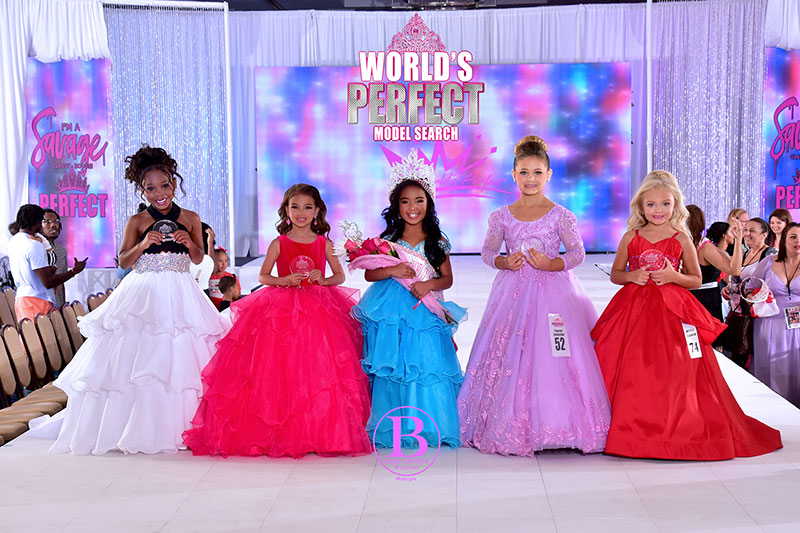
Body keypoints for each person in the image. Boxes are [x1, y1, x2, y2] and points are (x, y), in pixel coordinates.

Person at [50, 145, 230, 455]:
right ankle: (131, 429)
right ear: (142, 190)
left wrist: (190, 243)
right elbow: (123, 261)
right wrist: (144, 243)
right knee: (137, 357)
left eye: (165, 186)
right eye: (151, 188)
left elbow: (200, 258)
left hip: (181, 290)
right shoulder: (137, 220)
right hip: (143, 291)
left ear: (174, 185)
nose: (159, 193)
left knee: (181, 354)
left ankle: (182, 427)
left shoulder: (190, 217)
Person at [591, 170, 782, 460]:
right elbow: (616, 274)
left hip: (671, 309)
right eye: (651, 204)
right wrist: (631, 276)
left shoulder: (681, 239)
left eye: (665, 204)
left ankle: (672, 424)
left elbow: (695, 279)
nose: (658, 210)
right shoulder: (631, 236)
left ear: (675, 205)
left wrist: (672, 276)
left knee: (674, 367)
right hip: (633, 309)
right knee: (632, 365)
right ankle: (629, 427)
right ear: (641, 206)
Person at [183, 184, 371, 457]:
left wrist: (323, 279)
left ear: (317, 211)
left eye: (307, 207)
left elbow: (339, 276)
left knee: (315, 367)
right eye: (295, 207)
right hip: (281, 306)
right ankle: (279, 431)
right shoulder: (279, 243)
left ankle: (315, 430)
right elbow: (263, 276)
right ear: (286, 211)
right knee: (280, 366)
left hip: (318, 308)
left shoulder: (324, 244)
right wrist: (283, 280)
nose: (301, 212)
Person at [458, 135, 610, 455]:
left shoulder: (561, 215)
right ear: (513, 175)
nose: (531, 179)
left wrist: (552, 263)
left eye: (537, 172)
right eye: (524, 172)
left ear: (548, 174)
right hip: (512, 294)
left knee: (557, 353)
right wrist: (504, 261)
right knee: (511, 351)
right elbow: (487, 252)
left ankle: (564, 424)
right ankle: (512, 423)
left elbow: (578, 253)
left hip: (555, 294)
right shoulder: (502, 216)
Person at [351, 150, 465, 449]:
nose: (412, 208)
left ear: (429, 203)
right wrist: (392, 270)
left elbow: (447, 279)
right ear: (396, 205)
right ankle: (394, 425)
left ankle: (430, 424)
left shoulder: (437, 241)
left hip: (424, 311)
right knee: (395, 364)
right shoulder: (387, 241)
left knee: (425, 362)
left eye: (419, 201)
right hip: (392, 310)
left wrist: (428, 285)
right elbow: (370, 275)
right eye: (405, 201)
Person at [751, 222, 800, 407]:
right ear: (784, 240)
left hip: (797, 327)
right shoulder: (769, 261)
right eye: (793, 237)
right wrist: (754, 295)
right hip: (769, 324)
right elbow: (751, 287)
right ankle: (770, 410)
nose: (798, 241)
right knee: (769, 368)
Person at [8, 205, 85, 322]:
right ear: (37, 222)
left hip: (22, 300)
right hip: (37, 301)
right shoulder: (34, 245)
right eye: (44, 221)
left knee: (28, 334)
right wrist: (74, 271)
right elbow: (48, 282)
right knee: (41, 335)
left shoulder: (14, 240)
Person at [719, 218, 778, 368]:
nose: (747, 234)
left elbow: (772, 284)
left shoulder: (770, 254)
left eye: (752, 230)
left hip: (756, 316)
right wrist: (729, 289)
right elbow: (736, 278)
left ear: (764, 234)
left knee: (750, 357)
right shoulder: (745, 253)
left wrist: (751, 294)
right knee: (737, 354)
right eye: (745, 230)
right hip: (739, 314)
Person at [691, 221, 742, 322]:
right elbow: (734, 271)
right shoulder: (708, 248)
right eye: (731, 231)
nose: (734, 234)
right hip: (706, 298)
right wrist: (738, 240)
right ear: (724, 235)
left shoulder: (711, 249)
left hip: (711, 295)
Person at [41, 209, 68, 308]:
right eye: (47, 222)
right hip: (41, 305)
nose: (53, 225)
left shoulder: (61, 250)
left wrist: (63, 307)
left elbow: (61, 283)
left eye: (56, 221)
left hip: (58, 306)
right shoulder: (35, 249)